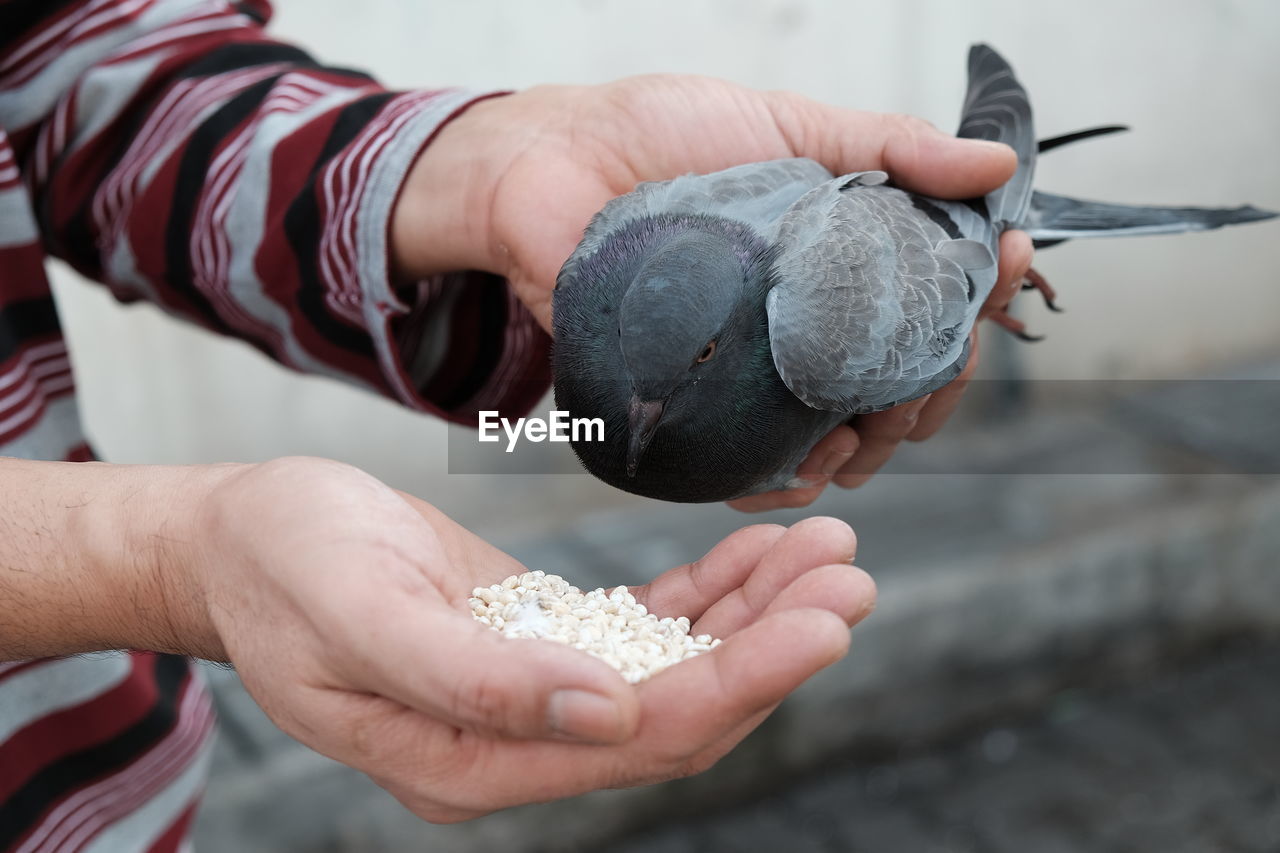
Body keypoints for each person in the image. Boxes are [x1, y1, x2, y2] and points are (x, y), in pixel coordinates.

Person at [0, 0, 1033, 847]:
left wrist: (485, 167)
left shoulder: (729, 287)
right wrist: (163, 562)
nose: (629, 416)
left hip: (109, 797)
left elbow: (88, 71)